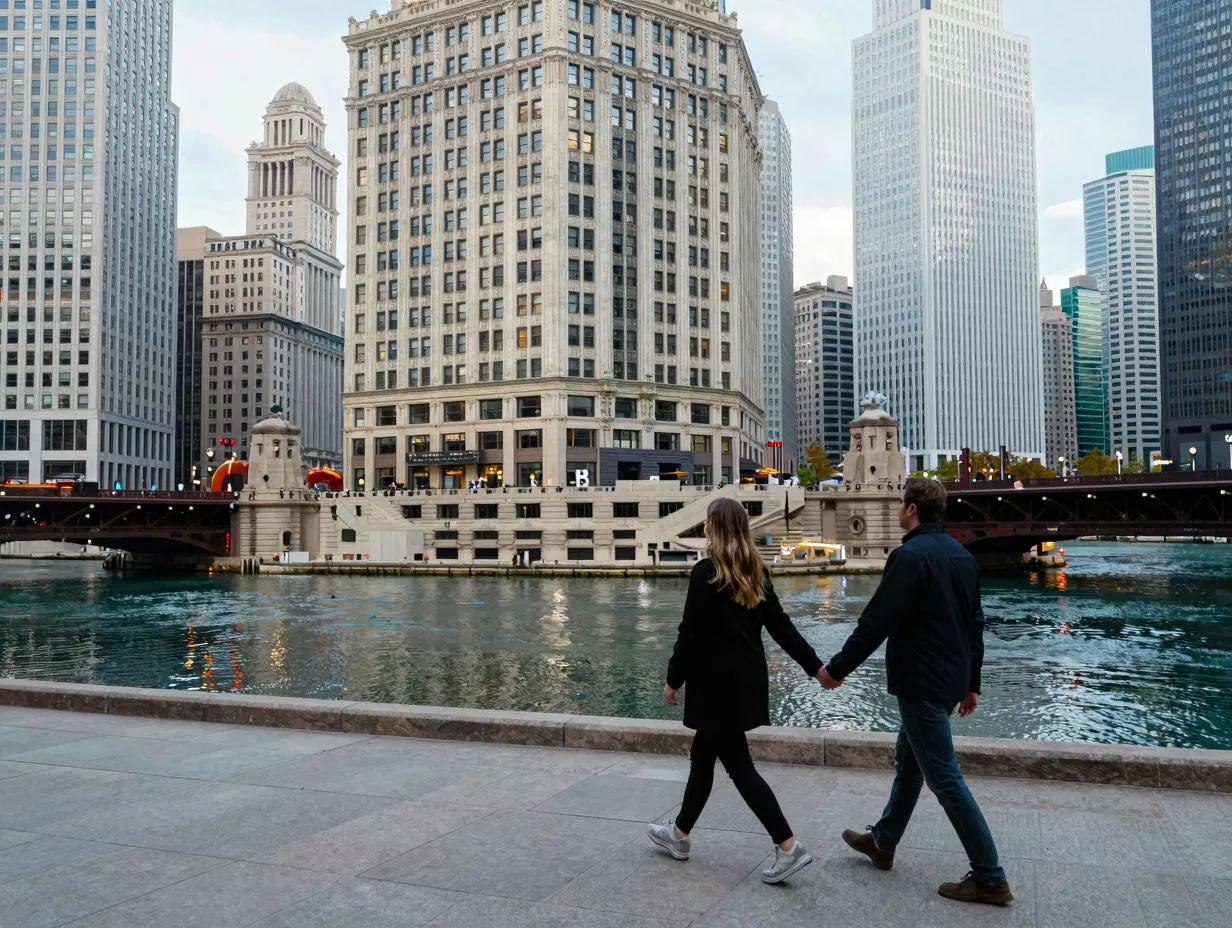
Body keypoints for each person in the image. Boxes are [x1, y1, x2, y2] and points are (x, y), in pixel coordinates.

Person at [818, 476, 1013, 907]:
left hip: (921, 682)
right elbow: (975, 625)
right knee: (910, 761)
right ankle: (883, 842)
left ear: (911, 509)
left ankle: (989, 876)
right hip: (950, 680)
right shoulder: (963, 556)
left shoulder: (908, 557)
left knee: (944, 777)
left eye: (902, 503)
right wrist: (972, 682)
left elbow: (877, 622)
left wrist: (837, 669)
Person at [647, 497, 826, 885]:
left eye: (708, 523)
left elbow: (689, 635)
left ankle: (788, 847)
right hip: (745, 682)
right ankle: (679, 835)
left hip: (713, 685)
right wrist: (816, 668)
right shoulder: (755, 572)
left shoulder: (706, 573)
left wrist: (673, 678)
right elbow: (782, 628)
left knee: (739, 767)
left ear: (713, 528)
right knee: (702, 757)